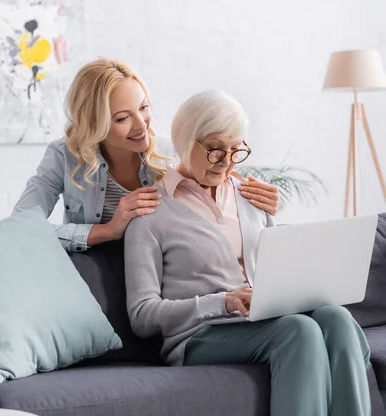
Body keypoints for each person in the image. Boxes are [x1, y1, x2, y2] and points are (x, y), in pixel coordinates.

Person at [124, 90, 371, 416]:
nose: (226, 162)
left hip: (264, 321)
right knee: (299, 331)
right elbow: (142, 315)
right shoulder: (151, 213)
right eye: (214, 150)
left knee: (336, 318)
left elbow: (275, 267)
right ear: (186, 142)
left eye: (235, 150)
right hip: (199, 337)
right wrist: (223, 301)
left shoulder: (251, 196)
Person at [13, 58, 280, 252]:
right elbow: (22, 227)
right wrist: (107, 230)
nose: (142, 126)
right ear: (95, 122)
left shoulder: (172, 152)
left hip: (157, 270)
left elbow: (220, 188)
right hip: (92, 268)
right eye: (122, 118)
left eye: (143, 108)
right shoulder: (63, 156)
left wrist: (258, 204)